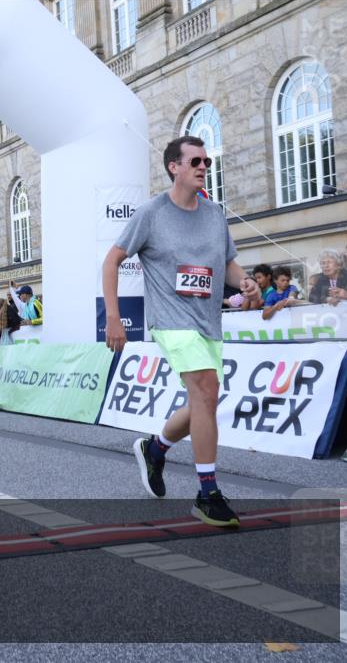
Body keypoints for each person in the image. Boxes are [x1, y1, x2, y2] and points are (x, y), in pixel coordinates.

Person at [102, 135, 261, 528]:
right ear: (174, 167)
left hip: (208, 321)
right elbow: (111, 261)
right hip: (171, 319)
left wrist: (245, 282)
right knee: (206, 390)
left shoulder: (214, 214)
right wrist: (114, 317)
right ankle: (208, 494)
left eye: (207, 161)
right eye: (195, 161)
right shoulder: (152, 213)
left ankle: (155, 450)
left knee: (204, 400)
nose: (203, 166)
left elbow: (227, 264)